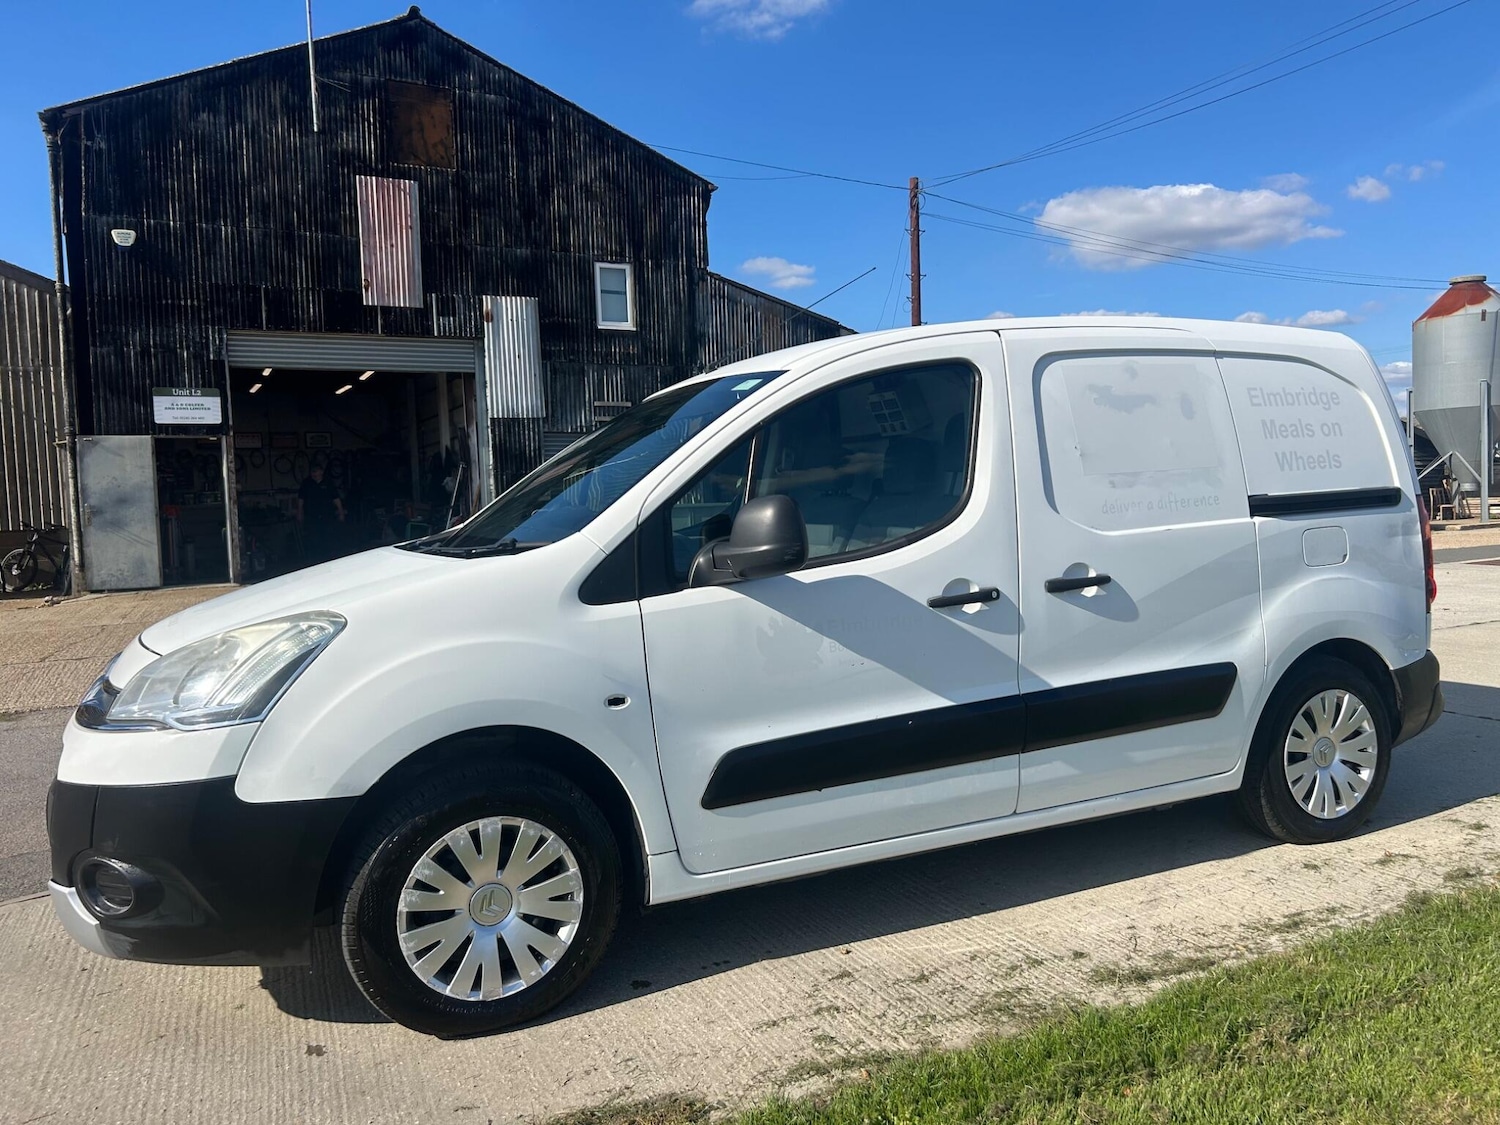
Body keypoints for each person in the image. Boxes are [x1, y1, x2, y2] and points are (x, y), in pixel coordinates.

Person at [297, 464, 345, 564]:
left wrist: (341, 511)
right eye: (312, 471)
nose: (314, 474)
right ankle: (315, 561)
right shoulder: (306, 483)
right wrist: (300, 512)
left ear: (321, 472)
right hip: (312, 517)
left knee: (329, 538)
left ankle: (329, 560)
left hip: (327, 516)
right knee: (313, 539)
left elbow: (335, 498)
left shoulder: (328, 482)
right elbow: (301, 499)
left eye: (316, 471)